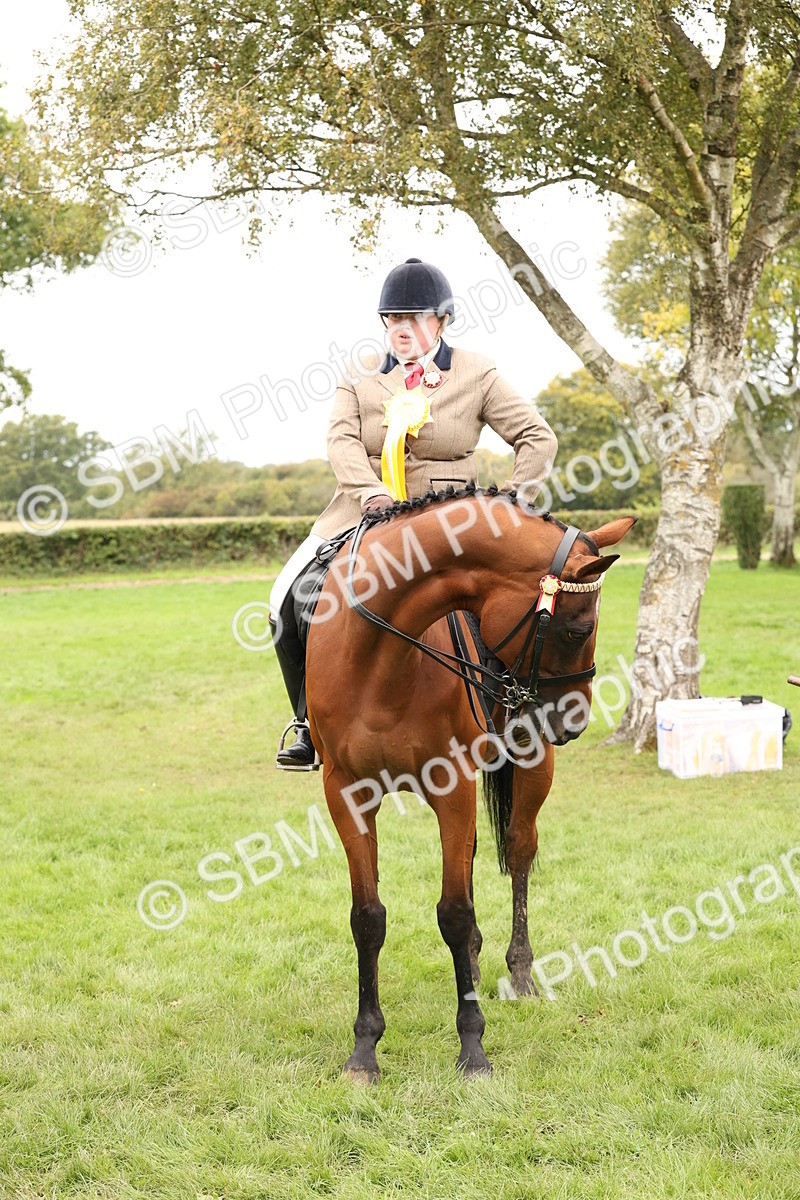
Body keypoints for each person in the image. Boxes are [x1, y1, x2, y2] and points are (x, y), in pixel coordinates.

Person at [269, 256, 558, 769]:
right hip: (362, 514)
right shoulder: (359, 376)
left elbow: (538, 437)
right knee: (286, 598)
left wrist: (508, 502)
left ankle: (513, 711)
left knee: (509, 601)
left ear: (442, 320)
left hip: (452, 524)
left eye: (415, 317)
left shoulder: (477, 372)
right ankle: (308, 723)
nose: (402, 329)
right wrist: (371, 493)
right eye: (393, 319)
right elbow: (340, 441)